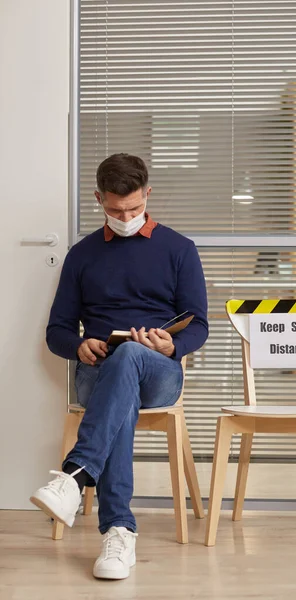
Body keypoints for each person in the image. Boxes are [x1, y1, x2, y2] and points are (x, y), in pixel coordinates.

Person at [30, 154, 208, 580]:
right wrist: (80, 345)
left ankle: (74, 477)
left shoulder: (179, 249)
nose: (125, 217)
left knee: (130, 356)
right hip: (99, 371)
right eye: (114, 210)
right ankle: (118, 534)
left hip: (160, 373)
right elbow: (56, 331)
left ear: (147, 194)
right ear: (98, 199)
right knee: (119, 384)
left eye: (133, 208)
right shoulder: (82, 255)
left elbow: (199, 325)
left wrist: (171, 345)